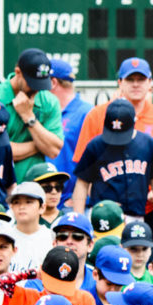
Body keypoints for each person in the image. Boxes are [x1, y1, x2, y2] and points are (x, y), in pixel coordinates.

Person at [71, 57, 153, 226]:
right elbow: (83, 174)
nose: (135, 84)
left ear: (150, 82)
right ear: (119, 82)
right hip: (104, 210)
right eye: (130, 79)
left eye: (141, 79)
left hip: (147, 209)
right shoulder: (96, 116)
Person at [71, 99, 153, 233]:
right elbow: (82, 182)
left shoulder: (147, 144)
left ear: (134, 122)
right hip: (103, 215)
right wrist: (79, 219)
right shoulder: (96, 146)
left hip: (135, 216)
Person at [0, 47, 63, 184]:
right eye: (32, 84)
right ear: (18, 72)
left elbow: (54, 150)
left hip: (36, 187)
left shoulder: (49, 101)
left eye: (41, 85)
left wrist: (29, 117)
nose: (37, 90)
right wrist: (40, 144)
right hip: (0, 186)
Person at [47, 58, 92, 204]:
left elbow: (96, 159)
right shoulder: (42, 112)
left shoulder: (86, 112)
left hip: (69, 200)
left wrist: (78, 198)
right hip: (43, 199)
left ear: (53, 82)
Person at [7, 181, 53, 268]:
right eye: (16, 202)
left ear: (42, 207)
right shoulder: (4, 237)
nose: (22, 207)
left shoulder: (51, 237)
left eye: (28, 202)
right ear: (11, 207)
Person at [27, 162, 71, 227]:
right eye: (47, 188)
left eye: (58, 187)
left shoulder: (68, 219)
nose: (54, 192)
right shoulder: (24, 220)